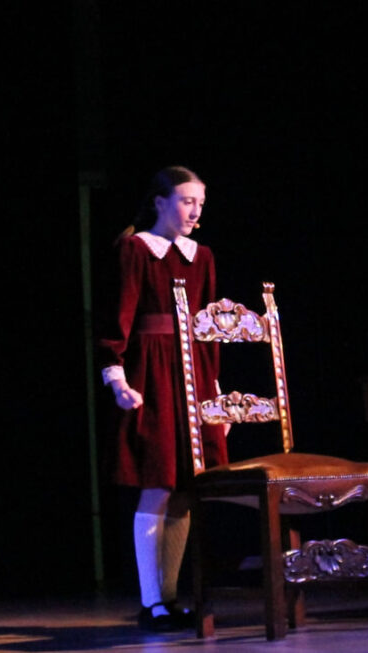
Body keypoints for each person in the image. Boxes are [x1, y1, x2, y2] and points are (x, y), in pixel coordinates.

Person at [96, 165, 228, 631]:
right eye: (186, 201)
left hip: (193, 372)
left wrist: (215, 391)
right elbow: (119, 317)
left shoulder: (202, 256)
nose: (194, 211)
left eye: (200, 203)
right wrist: (117, 376)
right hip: (152, 373)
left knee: (187, 488)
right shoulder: (136, 249)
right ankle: (152, 602)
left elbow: (208, 326)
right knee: (158, 481)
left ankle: (169, 598)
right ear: (159, 202)